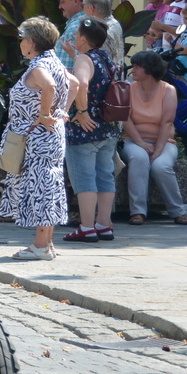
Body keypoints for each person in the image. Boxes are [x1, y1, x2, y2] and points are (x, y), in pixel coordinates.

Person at [4, 17, 71, 261]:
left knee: (42, 186)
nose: (20, 43)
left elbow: (50, 85)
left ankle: (41, 246)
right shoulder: (54, 61)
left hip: (38, 137)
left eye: (22, 38)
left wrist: (45, 113)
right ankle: (46, 243)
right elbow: (73, 83)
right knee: (48, 185)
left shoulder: (38, 67)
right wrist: (62, 110)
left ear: (31, 42)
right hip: (50, 135)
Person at [62, 18, 120, 243]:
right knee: (105, 177)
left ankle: (86, 227)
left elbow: (82, 83)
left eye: (77, 34)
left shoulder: (84, 59)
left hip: (84, 129)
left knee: (84, 178)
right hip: (107, 128)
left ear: (84, 39)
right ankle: (103, 224)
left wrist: (83, 111)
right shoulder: (104, 57)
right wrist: (75, 55)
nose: (74, 36)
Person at [121, 50, 187, 226]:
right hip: (134, 139)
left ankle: (178, 211)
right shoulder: (129, 88)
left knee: (161, 165)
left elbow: (167, 122)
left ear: (149, 69)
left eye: (137, 66)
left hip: (164, 140)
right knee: (138, 157)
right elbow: (125, 119)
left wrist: (158, 149)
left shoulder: (168, 90)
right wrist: (140, 142)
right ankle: (138, 212)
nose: (133, 69)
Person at [54, 0, 86, 67]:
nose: (60, 7)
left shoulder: (74, 28)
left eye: (62, 1)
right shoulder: (93, 23)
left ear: (76, 0)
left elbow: (65, 69)